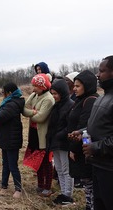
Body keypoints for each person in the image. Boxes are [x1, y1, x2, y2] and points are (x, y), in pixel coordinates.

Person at [71, 56, 113, 210]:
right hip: (97, 165)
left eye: (102, 71)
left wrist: (95, 147)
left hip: (109, 169)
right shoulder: (103, 98)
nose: (98, 74)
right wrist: (82, 132)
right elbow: (96, 126)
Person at [67, 70, 98, 210]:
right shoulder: (79, 100)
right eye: (74, 85)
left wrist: (73, 149)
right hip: (79, 147)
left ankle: (91, 206)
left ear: (87, 85)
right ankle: (89, 204)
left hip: (84, 149)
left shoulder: (90, 101)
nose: (74, 88)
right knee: (87, 183)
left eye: (78, 86)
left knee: (90, 182)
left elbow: (84, 127)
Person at [0, 82, 25, 199]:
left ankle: (18, 189)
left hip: (11, 140)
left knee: (12, 165)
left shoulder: (12, 105)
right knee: (6, 164)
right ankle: (4, 185)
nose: (2, 94)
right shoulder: (10, 103)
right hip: (7, 138)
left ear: (9, 93)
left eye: (3, 92)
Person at [23, 73, 55, 197]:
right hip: (33, 133)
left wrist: (31, 114)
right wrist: (32, 112)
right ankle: (40, 185)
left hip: (43, 136)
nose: (33, 88)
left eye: (35, 86)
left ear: (42, 86)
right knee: (38, 162)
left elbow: (41, 117)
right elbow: (24, 109)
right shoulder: (34, 95)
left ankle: (47, 187)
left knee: (46, 162)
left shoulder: (48, 99)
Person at [46, 79, 74, 205]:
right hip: (55, 142)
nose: (53, 96)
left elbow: (70, 126)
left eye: (55, 93)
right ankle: (63, 193)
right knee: (59, 169)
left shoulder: (70, 105)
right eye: (52, 93)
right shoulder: (56, 106)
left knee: (66, 169)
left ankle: (68, 195)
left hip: (64, 143)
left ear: (62, 92)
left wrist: (59, 135)